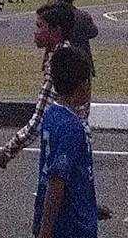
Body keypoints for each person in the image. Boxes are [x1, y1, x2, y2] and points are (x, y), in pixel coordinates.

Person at [0, 3, 78, 169]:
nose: (35, 32)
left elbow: (40, 117)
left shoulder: (59, 62)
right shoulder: (67, 54)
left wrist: (9, 150)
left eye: (40, 26)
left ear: (56, 31)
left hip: (60, 144)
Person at [33, 46, 97, 238]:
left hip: (70, 214)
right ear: (83, 84)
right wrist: (46, 233)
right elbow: (57, 181)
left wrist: (90, 205)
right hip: (72, 228)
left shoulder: (52, 114)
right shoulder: (73, 127)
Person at [55, 0, 99, 75]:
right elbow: (94, 32)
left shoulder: (53, 17)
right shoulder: (83, 16)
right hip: (82, 61)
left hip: (60, 62)